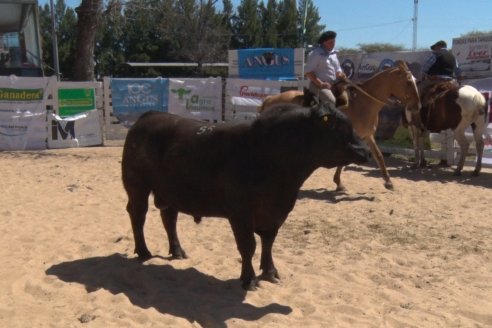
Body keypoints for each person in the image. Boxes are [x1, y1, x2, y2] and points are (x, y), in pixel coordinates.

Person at [304, 31, 346, 107]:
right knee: (331, 101)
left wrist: (340, 74)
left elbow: (337, 68)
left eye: (334, 42)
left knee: (346, 97)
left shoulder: (333, 53)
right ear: (324, 42)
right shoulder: (316, 53)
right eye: (330, 42)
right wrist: (321, 84)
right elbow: (308, 72)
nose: (333, 44)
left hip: (333, 84)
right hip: (318, 85)